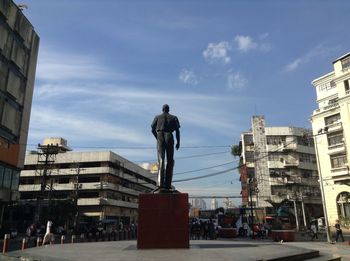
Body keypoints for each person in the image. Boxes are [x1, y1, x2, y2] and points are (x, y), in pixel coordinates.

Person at [151, 104, 180, 191]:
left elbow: (152, 128)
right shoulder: (174, 117)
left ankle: (160, 184)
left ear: (162, 109)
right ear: (168, 110)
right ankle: (168, 184)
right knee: (170, 160)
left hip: (160, 135)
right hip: (169, 136)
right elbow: (178, 131)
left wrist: (157, 137)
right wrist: (178, 142)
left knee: (161, 159)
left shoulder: (157, 117)